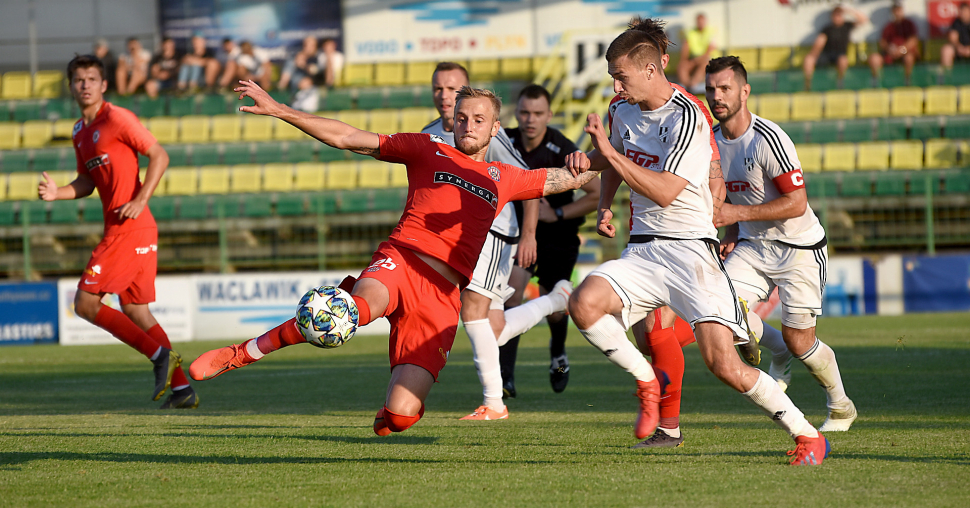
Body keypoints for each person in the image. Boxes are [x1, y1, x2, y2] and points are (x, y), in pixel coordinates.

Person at [188, 81, 598, 436]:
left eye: (478, 119)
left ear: (494, 127)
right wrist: (280, 110)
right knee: (351, 310)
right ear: (453, 120)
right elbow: (348, 137)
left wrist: (598, 156)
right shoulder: (426, 149)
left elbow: (570, 178)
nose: (468, 125)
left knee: (401, 417)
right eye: (462, 117)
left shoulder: (503, 178)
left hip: (441, 296)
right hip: (400, 261)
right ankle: (241, 354)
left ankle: (392, 414)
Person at [568, 17, 830, 465]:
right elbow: (613, 157)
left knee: (723, 364)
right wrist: (603, 200)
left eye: (621, 75)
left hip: (691, 252)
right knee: (583, 303)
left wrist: (607, 154)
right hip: (644, 249)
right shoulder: (621, 109)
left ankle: (808, 436)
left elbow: (666, 191)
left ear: (651, 70)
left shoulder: (689, 114)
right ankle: (648, 383)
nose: (615, 84)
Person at [37, 54, 196, 409]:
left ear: (104, 84)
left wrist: (141, 198)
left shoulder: (118, 118)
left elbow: (159, 155)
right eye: (79, 80)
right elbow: (86, 182)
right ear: (71, 87)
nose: (85, 85)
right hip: (127, 228)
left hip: (131, 227)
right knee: (137, 311)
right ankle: (183, 390)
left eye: (92, 79)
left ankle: (158, 356)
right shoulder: (80, 132)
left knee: (85, 303)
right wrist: (57, 192)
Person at [708, 55, 857, 430]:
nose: (717, 96)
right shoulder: (710, 141)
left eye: (725, 88)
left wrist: (734, 218)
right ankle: (776, 350)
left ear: (745, 91)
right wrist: (729, 234)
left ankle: (841, 406)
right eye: (711, 89)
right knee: (718, 308)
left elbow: (797, 203)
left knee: (800, 340)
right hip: (753, 248)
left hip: (799, 249)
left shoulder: (768, 139)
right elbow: (725, 192)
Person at [422, 63, 571, 421]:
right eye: (439, 89)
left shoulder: (488, 135)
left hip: (493, 232)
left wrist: (529, 234)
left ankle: (494, 402)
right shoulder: (429, 133)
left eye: (453, 88)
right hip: (457, 237)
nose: (445, 95)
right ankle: (555, 300)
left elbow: (527, 182)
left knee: (472, 311)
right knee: (493, 328)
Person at [500, 84, 601, 397]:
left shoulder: (562, 149)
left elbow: (595, 193)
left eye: (538, 113)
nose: (531, 119)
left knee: (556, 310)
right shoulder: (507, 141)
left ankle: (558, 353)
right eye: (525, 112)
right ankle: (505, 378)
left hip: (558, 236)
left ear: (549, 115)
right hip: (520, 236)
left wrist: (556, 213)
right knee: (511, 298)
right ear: (516, 114)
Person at [802, 5, 868, 90]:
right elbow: (819, 43)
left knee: (843, 60)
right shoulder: (827, 29)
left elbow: (863, 19)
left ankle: (840, 83)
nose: (837, 17)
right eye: (835, 15)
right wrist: (814, 55)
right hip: (827, 54)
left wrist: (849, 10)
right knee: (808, 59)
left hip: (840, 55)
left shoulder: (847, 26)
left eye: (839, 15)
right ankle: (808, 84)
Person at [868, 2, 920, 82]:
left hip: (906, 53)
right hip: (891, 53)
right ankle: (878, 82)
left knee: (908, 58)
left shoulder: (909, 24)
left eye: (899, 10)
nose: (897, 13)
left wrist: (902, 50)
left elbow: (913, 40)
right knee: (874, 58)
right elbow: (883, 42)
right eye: (895, 10)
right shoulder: (889, 26)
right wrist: (889, 49)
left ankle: (908, 80)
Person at [676, 13, 716, 95]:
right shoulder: (691, 32)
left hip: (706, 59)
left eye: (702, 21)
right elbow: (685, 47)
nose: (700, 23)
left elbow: (709, 51)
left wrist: (694, 61)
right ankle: (685, 87)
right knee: (682, 66)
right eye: (699, 21)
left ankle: (692, 86)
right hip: (693, 58)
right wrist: (684, 60)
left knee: (704, 64)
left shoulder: (710, 32)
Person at [941, 3, 970, 70]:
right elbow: (953, 38)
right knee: (946, 50)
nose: (963, 14)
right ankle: (947, 77)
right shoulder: (956, 22)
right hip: (959, 48)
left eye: (965, 11)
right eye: (962, 11)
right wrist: (959, 47)